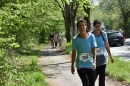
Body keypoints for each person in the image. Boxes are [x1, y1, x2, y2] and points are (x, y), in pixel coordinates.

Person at [71, 19, 97, 86]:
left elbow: (94, 50)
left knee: (92, 84)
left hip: (90, 64)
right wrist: (72, 66)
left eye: (83, 25)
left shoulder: (91, 36)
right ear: (77, 27)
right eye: (80, 26)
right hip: (80, 64)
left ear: (86, 26)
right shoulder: (75, 39)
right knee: (86, 83)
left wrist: (94, 62)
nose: (82, 27)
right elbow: (73, 53)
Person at [92, 19, 114, 86]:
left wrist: (111, 57)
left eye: (99, 26)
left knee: (102, 77)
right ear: (94, 26)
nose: (98, 28)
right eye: (97, 26)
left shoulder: (104, 34)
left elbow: (107, 46)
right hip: (93, 58)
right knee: (93, 77)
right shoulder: (90, 35)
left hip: (102, 58)